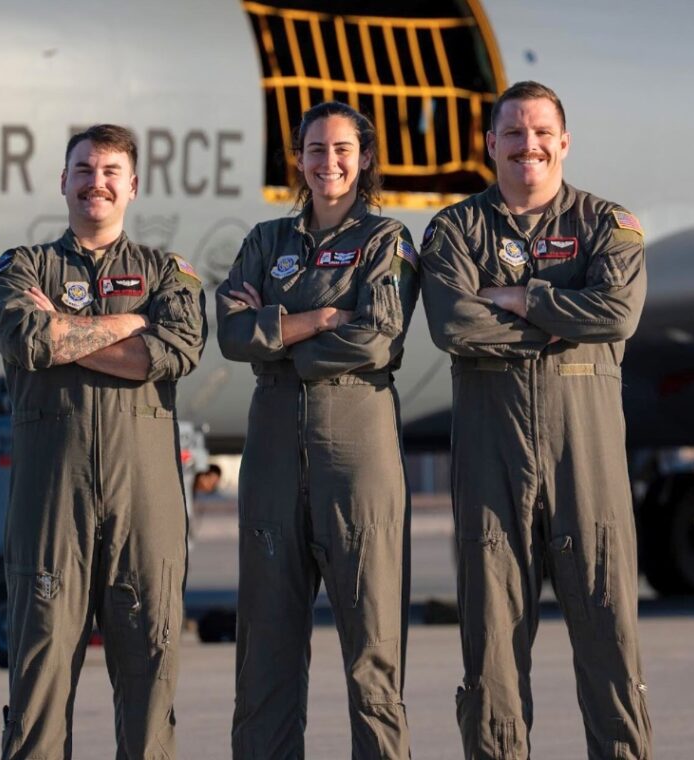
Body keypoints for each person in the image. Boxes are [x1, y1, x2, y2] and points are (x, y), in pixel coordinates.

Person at [418, 81, 653, 758]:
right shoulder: (456, 229)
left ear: (564, 141)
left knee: (610, 642)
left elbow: (618, 314)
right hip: (493, 459)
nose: (529, 146)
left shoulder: (607, 224)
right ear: (491, 144)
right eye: (513, 134)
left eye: (542, 132)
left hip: (587, 458)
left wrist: (521, 297)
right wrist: (559, 319)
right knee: (491, 659)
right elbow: (456, 323)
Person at [0, 124, 206, 760]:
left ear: (132, 187)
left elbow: (172, 351)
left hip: (146, 504)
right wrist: (133, 326)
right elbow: (29, 341)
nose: (96, 182)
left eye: (111, 171)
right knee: (39, 683)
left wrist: (67, 329)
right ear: (64, 182)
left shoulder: (169, 273)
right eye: (84, 169)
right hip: (53, 502)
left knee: (149, 681)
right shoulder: (21, 267)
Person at [217, 101, 418, 758]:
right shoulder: (265, 241)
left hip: (355, 450)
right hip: (274, 452)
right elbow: (230, 332)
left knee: (372, 655)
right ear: (298, 159)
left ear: (363, 159)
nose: (327, 162)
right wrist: (319, 319)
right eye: (315, 149)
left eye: (341, 149)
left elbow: (378, 338)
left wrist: (278, 334)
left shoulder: (387, 242)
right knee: (266, 654)